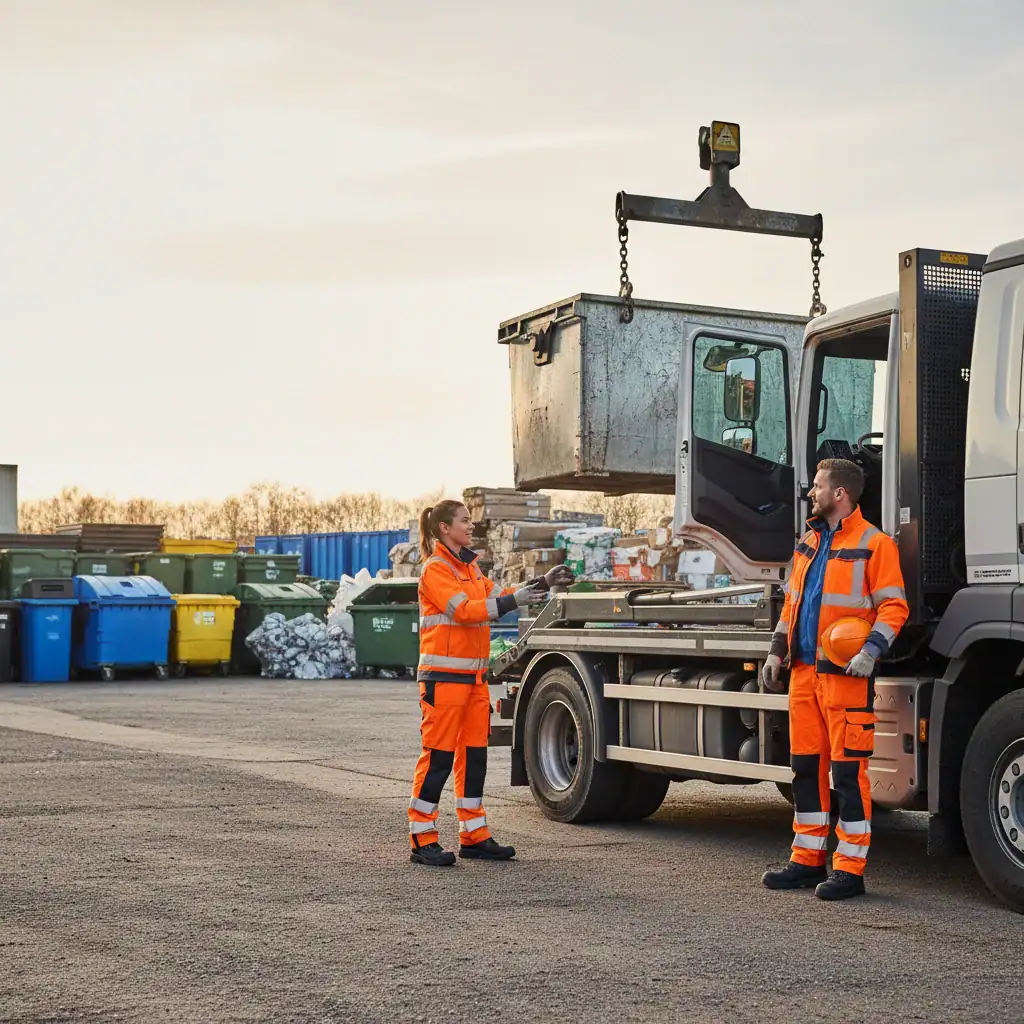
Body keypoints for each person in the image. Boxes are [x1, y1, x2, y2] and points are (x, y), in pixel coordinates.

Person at [761, 459, 909, 900]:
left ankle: (849, 870)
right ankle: (806, 861)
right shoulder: (807, 543)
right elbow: (791, 606)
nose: (811, 493)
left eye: (819, 486)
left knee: (848, 775)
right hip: (804, 676)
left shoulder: (875, 544)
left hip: (845, 678)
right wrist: (775, 651)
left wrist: (870, 651)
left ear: (840, 493)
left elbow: (894, 608)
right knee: (805, 771)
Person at [407, 500, 574, 867]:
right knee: (438, 758)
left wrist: (542, 582)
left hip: (472, 681)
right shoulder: (436, 570)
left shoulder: (468, 569)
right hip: (444, 681)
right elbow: (464, 611)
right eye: (465, 521)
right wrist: (515, 599)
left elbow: (497, 596)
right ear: (443, 529)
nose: (471, 526)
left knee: (474, 758)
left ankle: (474, 835)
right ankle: (422, 838)